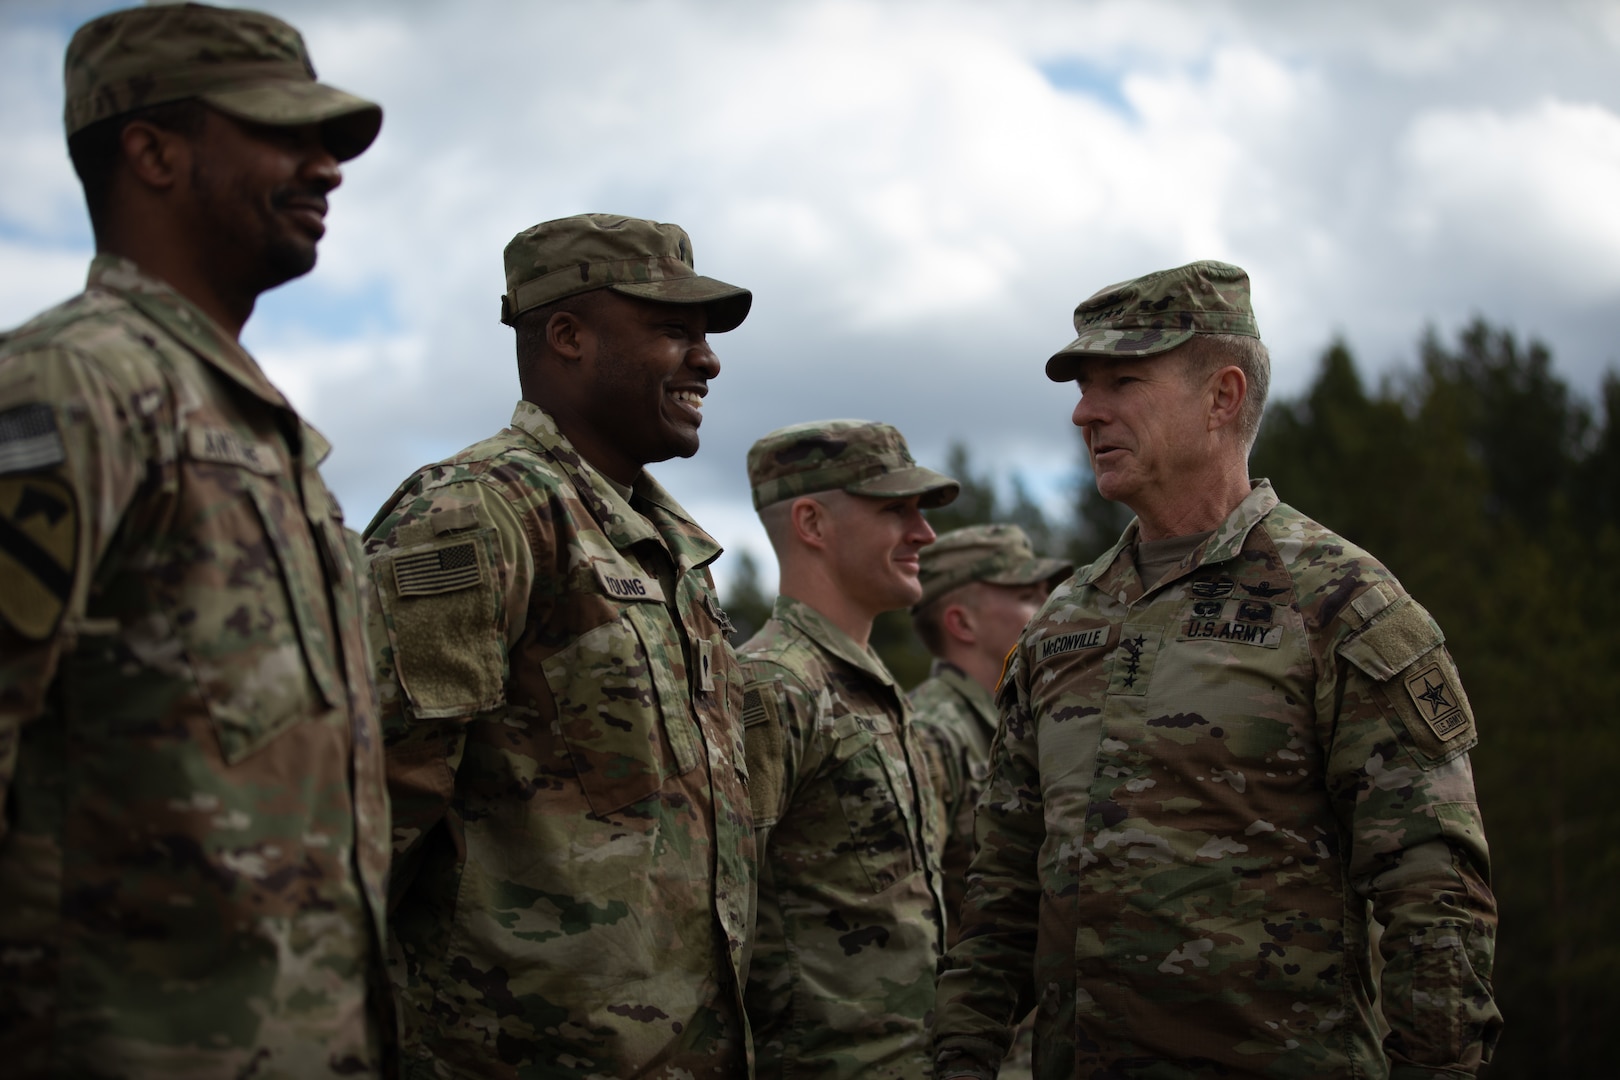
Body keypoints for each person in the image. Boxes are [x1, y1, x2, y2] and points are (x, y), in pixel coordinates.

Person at [933, 261, 1502, 1079]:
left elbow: (1435, 894)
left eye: (1121, 381)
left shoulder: (1341, 604)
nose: (1085, 412)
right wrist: (961, 1059)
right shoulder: (1065, 621)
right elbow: (1002, 894)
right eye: (1084, 388)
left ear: (1222, 397)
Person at [0, 4, 390, 1076]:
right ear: (152, 151)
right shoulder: (73, 387)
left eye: (331, 143)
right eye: (282, 131)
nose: (327, 170)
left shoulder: (256, 431)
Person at [364, 213, 755, 1078]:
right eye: (671, 330)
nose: (708, 359)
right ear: (567, 336)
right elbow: (371, 813)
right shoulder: (475, 515)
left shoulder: (670, 550)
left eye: (705, 335)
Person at [738, 419, 956, 1079]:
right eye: (896, 511)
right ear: (811, 523)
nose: (925, 534)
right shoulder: (772, 688)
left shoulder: (872, 686)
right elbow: (713, 925)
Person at [909, 523, 1070, 943]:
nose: (1050, 606)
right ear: (962, 623)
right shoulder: (929, 735)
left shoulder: (1028, 717)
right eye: (1025, 596)